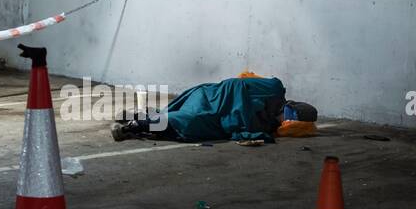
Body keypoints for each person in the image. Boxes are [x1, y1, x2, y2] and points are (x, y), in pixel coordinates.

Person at [110, 75, 288, 143]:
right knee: (191, 118)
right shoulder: (273, 89)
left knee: (186, 118)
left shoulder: (270, 118)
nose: (286, 120)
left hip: (213, 103)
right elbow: (238, 113)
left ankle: (140, 121)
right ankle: (136, 124)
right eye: (289, 115)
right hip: (215, 96)